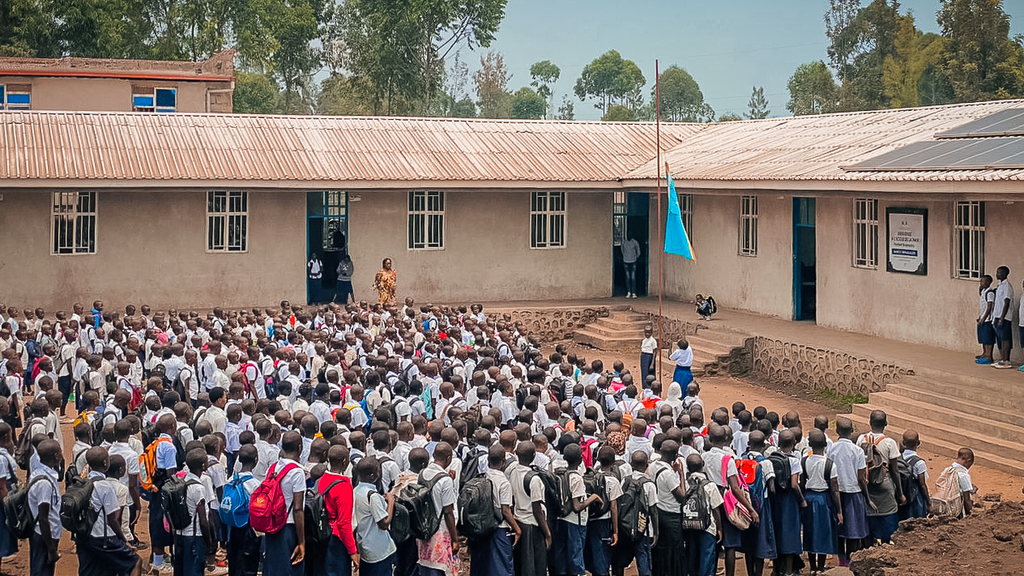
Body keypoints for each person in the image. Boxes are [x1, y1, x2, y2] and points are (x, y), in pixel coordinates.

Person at [78, 446, 142, 576]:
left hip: (84, 536)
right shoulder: (105, 487)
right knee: (135, 562)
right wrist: (124, 540)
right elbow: (113, 519)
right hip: (103, 538)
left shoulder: (82, 483)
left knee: (92, 571)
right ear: (106, 463)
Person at [856, 410, 904, 545]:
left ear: (869, 422)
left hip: (866, 485)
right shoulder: (890, 443)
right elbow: (895, 471)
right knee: (888, 519)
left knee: (869, 518)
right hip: (885, 484)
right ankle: (886, 545)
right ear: (886, 424)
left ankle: (868, 546)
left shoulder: (861, 439)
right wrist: (900, 494)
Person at [828, 417, 869, 567]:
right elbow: (861, 477)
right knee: (853, 531)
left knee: (840, 530)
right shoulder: (857, 451)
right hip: (854, 493)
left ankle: (841, 561)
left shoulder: (831, 449)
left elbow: (829, 472)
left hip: (837, 493)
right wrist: (867, 497)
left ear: (837, 431)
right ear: (852, 431)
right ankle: (850, 560)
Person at [801, 429, 840, 575]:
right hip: (824, 500)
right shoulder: (830, 464)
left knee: (810, 531)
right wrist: (839, 511)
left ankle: (812, 567)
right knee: (824, 531)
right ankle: (821, 567)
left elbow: (802, 483)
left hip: (809, 499)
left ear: (810, 444)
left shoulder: (804, 461)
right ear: (825, 445)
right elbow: (835, 490)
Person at [353, 456, 397, 576]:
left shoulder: (356, 491)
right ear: (373, 475)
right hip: (379, 549)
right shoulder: (372, 496)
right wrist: (391, 502)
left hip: (364, 545)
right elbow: (384, 523)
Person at [682, 454, 723, 576]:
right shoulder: (710, 485)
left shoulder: (685, 484)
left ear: (688, 468)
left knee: (692, 556)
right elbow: (716, 509)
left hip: (689, 526)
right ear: (703, 465)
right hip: (707, 527)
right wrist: (720, 528)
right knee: (707, 557)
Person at [174, 448, 212, 576]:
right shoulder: (198, 488)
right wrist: (209, 542)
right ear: (202, 466)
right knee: (194, 571)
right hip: (194, 538)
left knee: (181, 570)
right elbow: (203, 522)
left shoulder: (182, 482)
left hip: (180, 535)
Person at [28, 439, 62, 576]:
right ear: (56, 456)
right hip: (44, 535)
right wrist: (51, 549)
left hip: (43, 533)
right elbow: (43, 518)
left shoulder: (40, 473)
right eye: (60, 452)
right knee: (41, 571)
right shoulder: (44, 483)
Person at [991, 265, 1014, 368]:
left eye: (999, 273)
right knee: (999, 338)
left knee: (1005, 339)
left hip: (1003, 317)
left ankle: (1006, 360)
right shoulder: (1000, 285)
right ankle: (1001, 359)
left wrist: (1001, 317)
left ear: (1005, 274)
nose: (997, 274)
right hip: (997, 316)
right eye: (997, 272)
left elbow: (1007, 301)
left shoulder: (1007, 286)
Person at [975, 274, 996, 364]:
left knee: (988, 338)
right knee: (983, 337)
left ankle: (989, 356)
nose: (981, 283)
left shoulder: (989, 293)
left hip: (988, 319)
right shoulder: (983, 291)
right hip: (983, 318)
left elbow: (989, 307)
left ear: (988, 282)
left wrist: (984, 318)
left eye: (982, 281)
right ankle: (984, 354)